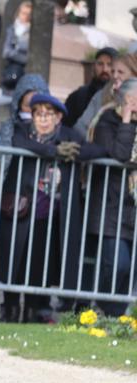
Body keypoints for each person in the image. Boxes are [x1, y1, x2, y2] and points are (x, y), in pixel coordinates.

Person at [0, 93, 105, 323]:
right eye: (39, 114)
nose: (43, 119)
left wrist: (75, 153)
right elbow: (21, 144)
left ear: (58, 118)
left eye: (49, 114)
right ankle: (10, 309)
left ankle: (33, 310)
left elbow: (97, 151)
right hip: (18, 210)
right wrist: (54, 152)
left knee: (39, 266)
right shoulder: (22, 130)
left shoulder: (68, 135)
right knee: (13, 263)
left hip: (47, 216)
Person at [88, 78, 137, 316]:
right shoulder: (107, 121)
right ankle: (104, 308)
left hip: (132, 210)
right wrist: (126, 119)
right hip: (111, 207)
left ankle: (116, 317)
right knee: (118, 264)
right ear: (126, 99)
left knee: (131, 270)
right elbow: (119, 154)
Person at [75, 53, 137, 139]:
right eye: (113, 71)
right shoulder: (101, 95)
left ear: (134, 75)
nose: (115, 76)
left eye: (120, 72)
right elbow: (80, 126)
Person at [64, 47, 115, 127]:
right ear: (94, 66)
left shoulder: (124, 98)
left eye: (110, 65)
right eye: (100, 64)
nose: (105, 69)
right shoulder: (78, 96)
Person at [0, 73, 49, 146]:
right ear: (18, 106)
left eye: (37, 105)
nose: (32, 111)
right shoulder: (9, 130)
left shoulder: (55, 131)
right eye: (28, 105)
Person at [1, 1, 30, 92]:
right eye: (24, 13)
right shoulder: (12, 29)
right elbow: (6, 52)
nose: (26, 17)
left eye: (29, 14)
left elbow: (29, 57)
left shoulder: (32, 32)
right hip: (11, 70)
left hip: (25, 72)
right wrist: (20, 51)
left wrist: (17, 48)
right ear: (19, 13)